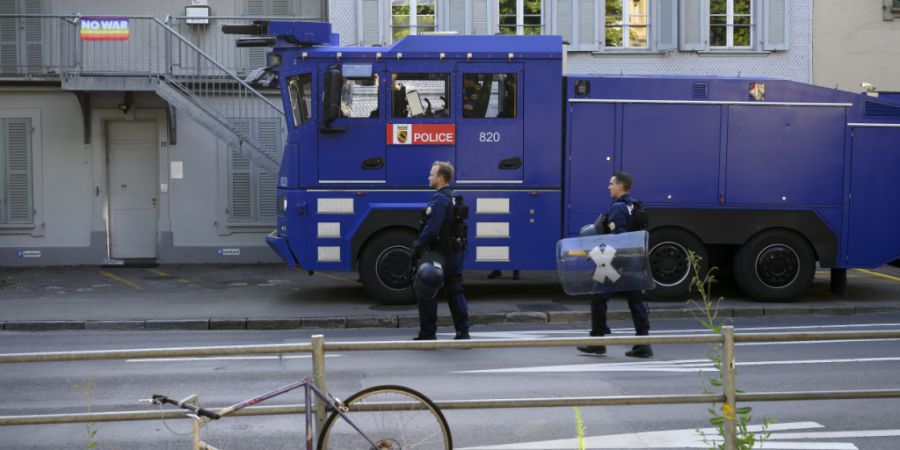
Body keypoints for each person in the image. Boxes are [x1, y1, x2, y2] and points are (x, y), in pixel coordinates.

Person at [577, 171, 653, 358]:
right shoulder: (634, 205)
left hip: (615, 262)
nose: (608, 186)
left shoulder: (618, 208)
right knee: (636, 302)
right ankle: (643, 344)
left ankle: (598, 341)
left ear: (620, 186)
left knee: (598, 297)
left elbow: (617, 239)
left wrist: (598, 254)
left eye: (611, 183)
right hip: (634, 261)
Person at [411, 161, 471, 341]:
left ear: (441, 178)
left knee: (427, 287)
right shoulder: (456, 197)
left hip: (439, 253)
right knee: (455, 290)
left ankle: (428, 332)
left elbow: (431, 229)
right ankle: (463, 331)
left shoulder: (439, 200)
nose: (429, 177)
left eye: (432, 174)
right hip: (456, 253)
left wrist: (418, 245)